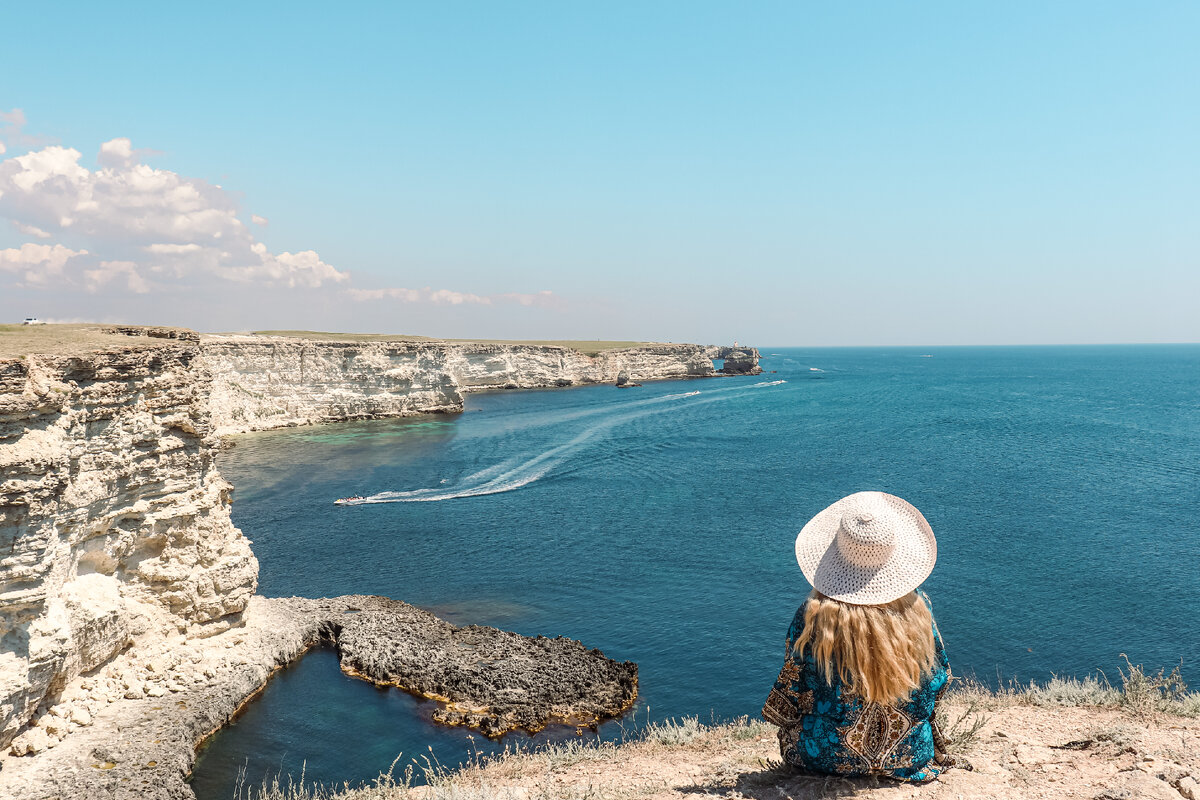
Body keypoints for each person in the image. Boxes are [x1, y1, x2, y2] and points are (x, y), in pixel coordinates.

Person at [762, 491, 964, 782]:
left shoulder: (813, 616)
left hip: (823, 756)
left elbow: (789, 692)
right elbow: (940, 679)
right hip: (909, 754)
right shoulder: (919, 610)